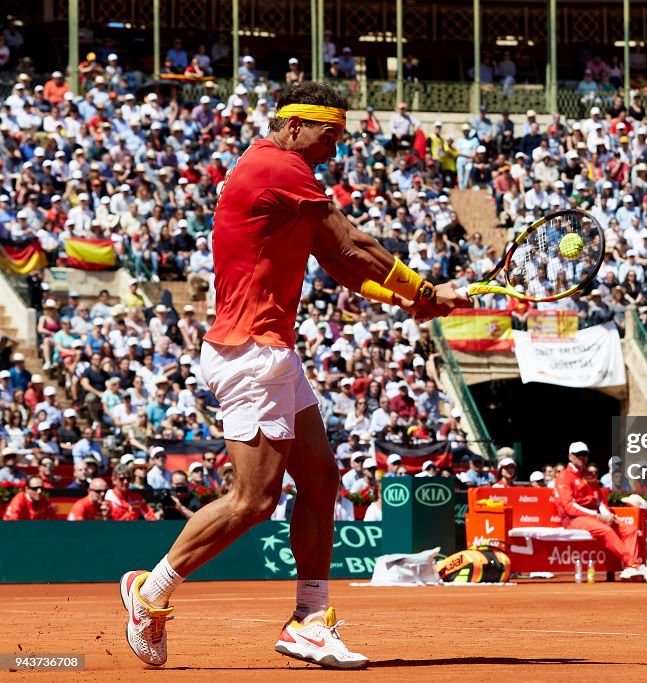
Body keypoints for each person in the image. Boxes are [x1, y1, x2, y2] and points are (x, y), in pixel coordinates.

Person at [118, 81, 466, 671]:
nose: (335, 147)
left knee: (322, 482)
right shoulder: (278, 166)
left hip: (271, 352)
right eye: (329, 134)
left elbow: (337, 260)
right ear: (295, 126)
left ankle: (308, 619)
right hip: (250, 352)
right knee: (254, 500)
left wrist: (406, 300)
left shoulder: (283, 175)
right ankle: (149, 593)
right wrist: (425, 289)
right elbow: (351, 240)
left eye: (340, 136)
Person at [552, 441, 647, 582]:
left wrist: (606, 514)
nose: (582, 458)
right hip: (573, 519)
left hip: (594, 516)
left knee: (630, 529)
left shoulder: (590, 475)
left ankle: (628, 569)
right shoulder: (564, 477)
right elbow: (569, 506)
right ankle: (635, 565)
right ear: (570, 456)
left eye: (585, 455)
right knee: (606, 530)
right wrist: (597, 515)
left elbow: (598, 500)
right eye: (578, 455)